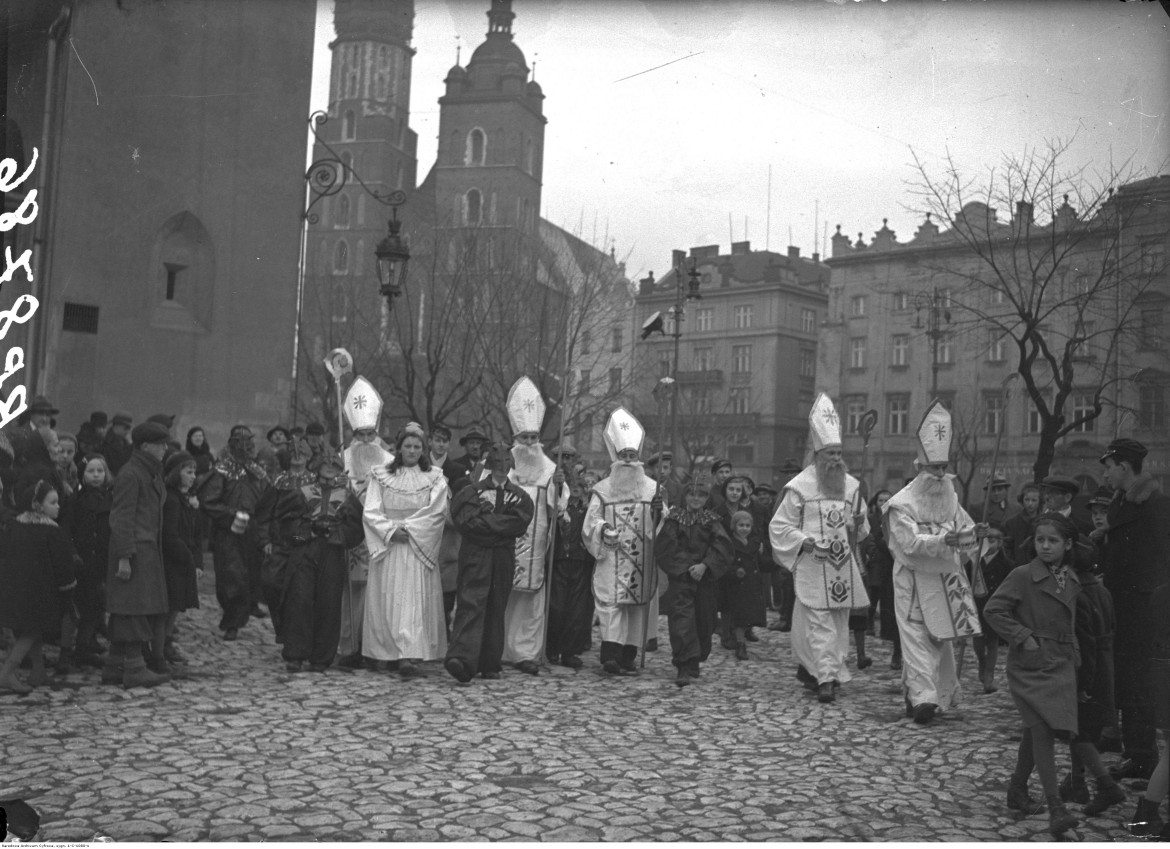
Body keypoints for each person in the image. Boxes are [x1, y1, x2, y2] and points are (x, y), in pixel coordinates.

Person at [984, 512, 1086, 837]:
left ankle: (1017, 790)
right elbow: (993, 610)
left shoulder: (1070, 578)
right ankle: (1056, 807)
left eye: (1053, 540)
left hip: (1061, 663)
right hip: (1029, 665)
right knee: (1041, 729)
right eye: (1040, 539)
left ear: (1067, 544)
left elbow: (1070, 624)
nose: (1045, 546)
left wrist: (1077, 657)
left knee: (1035, 730)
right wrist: (1022, 636)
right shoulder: (1022, 575)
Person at [883, 400, 983, 724]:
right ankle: (923, 700)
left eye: (943, 467)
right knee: (914, 639)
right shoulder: (901, 504)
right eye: (934, 468)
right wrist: (945, 540)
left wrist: (974, 535)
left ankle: (926, 697)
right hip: (912, 580)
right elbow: (909, 543)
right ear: (919, 468)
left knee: (940, 638)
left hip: (943, 580)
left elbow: (964, 532)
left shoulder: (951, 497)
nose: (940, 475)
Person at [769, 393, 869, 704]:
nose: (836, 459)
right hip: (814, 565)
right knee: (818, 623)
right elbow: (780, 527)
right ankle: (826, 678)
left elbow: (861, 530)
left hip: (841, 568)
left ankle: (821, 671)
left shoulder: (852, 487)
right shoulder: (800, 487)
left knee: (836, 625)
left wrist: (860, 521)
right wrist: (805, 542)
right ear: (817, 454)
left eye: (840, 453)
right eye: (830, 453)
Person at [1097, 438, 1170, 783]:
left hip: (1144, 609)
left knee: (1141, 684)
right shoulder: (1120, 502)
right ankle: (1137, 754)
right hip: (1121, 606)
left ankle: (1147, 758)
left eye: (1108, 467)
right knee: (1126, 682)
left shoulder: (1155, 504)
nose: (1107, 474)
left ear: (1123, 467)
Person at [257, 442, 364, 674]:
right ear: (316, 466)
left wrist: (336, 533)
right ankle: (295, 654)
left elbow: (356, 529)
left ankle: (321, 657)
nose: (329, 467)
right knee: (299, 601)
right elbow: (285, 526)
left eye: (333, 464)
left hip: (333, 553)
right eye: (324, 463)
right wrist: (307, 532)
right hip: (304, 552)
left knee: (329, 603)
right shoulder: (301, 492)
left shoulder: (347, 496)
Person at [362, 423, 449, 677]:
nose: (412, 450)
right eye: (407, 446)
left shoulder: (434, 476)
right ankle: (387, 652)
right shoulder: (380, 475)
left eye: (417, 446)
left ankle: (409, 654)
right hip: (390, 546)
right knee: (389, 598)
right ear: (399, 449)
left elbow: (436, 512)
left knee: (412, 601)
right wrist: (389, 531)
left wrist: (409, 530)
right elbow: (371, 509)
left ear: (423, 449)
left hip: (416, 546)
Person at [444, 441, 534, 683]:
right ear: (489, 467)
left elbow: (519, 523)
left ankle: (489, 662)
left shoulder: (520, 496)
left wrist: (487, 521)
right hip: (476, 554)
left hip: (502, 557)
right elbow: (467, 523)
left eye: (506, 466)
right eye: (497, 466)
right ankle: (462, 658)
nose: (501, 471)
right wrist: (500, 526)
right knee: (471, 602)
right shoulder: (470, 493)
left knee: (496, 605)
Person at [582, 409, 663, 677]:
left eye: (632, 456)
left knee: (636, 608)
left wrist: (659, 513)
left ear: (639, 459)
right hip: (612, 558)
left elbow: (663, 525)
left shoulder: (653, 489)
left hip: (640, 559)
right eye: (623, 456)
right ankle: (611, 657)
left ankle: (628, 657)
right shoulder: (603, 490)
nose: (628, 461)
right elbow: (590, 522)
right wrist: (603, 530)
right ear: (615, 458)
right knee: (611, 606)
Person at [1056, 517, 1127, 817]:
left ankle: (1105, 785)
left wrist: (1082, 685)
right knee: (1078, 731)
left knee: (1080, 734)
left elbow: (1085, 646)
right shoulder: (1102, 591)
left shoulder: (1079, 597)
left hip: (1088, 676)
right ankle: (1077, 782)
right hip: (1104, 672)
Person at [501, 377, 568, 675]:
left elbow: (560, 508)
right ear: (515, 437)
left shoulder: (551, 470)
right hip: (505, 541)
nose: (528, 443)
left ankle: (526, 653)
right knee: (504, 594)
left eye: (532, 438)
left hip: (537, 545)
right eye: (524, 437)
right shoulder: (502, 464)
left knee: (530, 600)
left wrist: (559, 488)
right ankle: (499, 648)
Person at [104, 422, 172, 688]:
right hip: (133, 552)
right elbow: (121, 518)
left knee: (129, 609)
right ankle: (133, 668)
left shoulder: (146, 472)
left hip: (143, 551)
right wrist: (124, 556)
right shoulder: (132, 474)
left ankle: (114, 665)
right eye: (161, 444)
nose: (165, 449)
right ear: (145, 446)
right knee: (133, 609)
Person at [338, 378, 395, 667]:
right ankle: (348, 646)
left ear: (377, 431)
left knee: (378, 593)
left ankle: (373, 649)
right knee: (350, 593)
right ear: (352, 432)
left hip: (379, 535)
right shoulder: (342, 459)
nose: (365, 439)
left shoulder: (389, 460)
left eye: (369, 433)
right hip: (351, 535)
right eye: (360, 434)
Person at [0, 479, 76, 694]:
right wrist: (67, 589)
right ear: (37, 506)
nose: (58, 506)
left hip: (16, 589)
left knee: (31, 627)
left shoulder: (17, 525)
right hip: (41, 592)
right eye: (53, 502)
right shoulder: (53, 532)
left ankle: (38, 671)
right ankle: (6, 673)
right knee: (33, 630)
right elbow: (63, 567)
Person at [198, 425, 270, 641]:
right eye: (241, 443)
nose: (246, 447)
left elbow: (268, 499)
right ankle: (232, 620)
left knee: (254, 572)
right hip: (228, 533)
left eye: (249, 443)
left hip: (254, 531)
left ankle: (248, 607)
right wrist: (230, 515)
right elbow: (208, 501)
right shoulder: (222, 471)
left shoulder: (257, 472)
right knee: (231, 576)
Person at [656, 481, 731, 685]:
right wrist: (688, 567)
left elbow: (722, 546)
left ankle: (695, 658)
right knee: (682, 621)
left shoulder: (712, 521)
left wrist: (705, 566)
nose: (696, 499)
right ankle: (683, 664)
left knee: (704, 621)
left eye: (701, 495)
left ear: (707, 499)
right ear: (685, 496)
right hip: (681, 578)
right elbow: (667, 546)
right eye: (692, 495)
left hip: (705, 580)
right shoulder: (674, 519)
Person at [68, 454, 112, 668]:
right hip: (85, 561)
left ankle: (87, 643)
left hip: (103, 559)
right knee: (89, 605)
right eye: (91, 471)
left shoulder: (109, 498)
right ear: (82, 475)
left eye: (100, 471)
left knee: (98, 605)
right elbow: (69, 529)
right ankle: (81, 648)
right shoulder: (77, 499)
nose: (96, 476)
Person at [545, 478, 594, 668]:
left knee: (576, 610)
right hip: (559, 562)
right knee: (556, 608)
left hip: (581, 562)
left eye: (580, 486)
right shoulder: (559, 510)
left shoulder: (589, 511)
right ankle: (551, 648)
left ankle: (569, 651)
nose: (576, 489)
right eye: (572, 486)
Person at [160, 451, 203, 669]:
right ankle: (160, 647)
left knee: (175, 606)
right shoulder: (172, 499)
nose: (193, 476)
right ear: (177, 473)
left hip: (182, 560)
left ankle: (166, 644)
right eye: (189, 471)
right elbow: (170, 535)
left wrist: (197, 561)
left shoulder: (185, 498)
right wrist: (189, 559)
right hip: (173, 561)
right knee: (169, 606)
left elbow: (194, 533)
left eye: (194, 471)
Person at [962, 527, 1012, 693]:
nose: (988, 544)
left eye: (992, 540)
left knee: (992, 641)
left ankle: (989, 675)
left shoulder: (1006, 564)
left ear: (1000, 543)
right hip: (977, 604)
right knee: (978, 639)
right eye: (985, 540)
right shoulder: (975, 561)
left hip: (995, 606)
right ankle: (981, 662)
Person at [861, 489, 900, 670]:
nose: (883, 502)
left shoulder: (898, 517)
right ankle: (878, 627)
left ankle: (899, 650)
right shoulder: (872, 519)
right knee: (878, 598)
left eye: (887, 499)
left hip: (897, 565)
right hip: (880, 564)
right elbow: (871, 538)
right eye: (880, 500)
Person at [724, 510, 767, 660]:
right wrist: (735, 571)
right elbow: (724, 564)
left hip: (752, 583)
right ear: (734, 526)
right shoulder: (729, 543)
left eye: (748, 525)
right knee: (739, 616)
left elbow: (761, 563)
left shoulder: (755, 543)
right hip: (737, 585)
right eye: (741, 525)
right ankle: (740, 643)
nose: (744, 528)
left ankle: (748, 631)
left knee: (750, 612)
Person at [1004, 482, 1042, 565]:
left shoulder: (1044, 522)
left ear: (1039, 502)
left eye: (1034, 500)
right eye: (1027, 500)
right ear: (1022, 500)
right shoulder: (1012, 523)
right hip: (1018, 567)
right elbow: (1007, 548)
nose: (1030, 504)